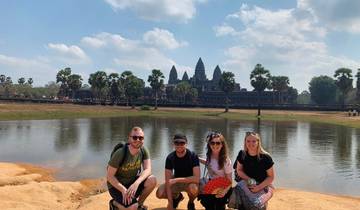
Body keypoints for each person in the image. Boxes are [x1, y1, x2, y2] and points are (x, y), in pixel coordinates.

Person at [107, 126, 157, 210]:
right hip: (116, 186)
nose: (138, 140)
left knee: (152, 180)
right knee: (132, 207)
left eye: (140, 138)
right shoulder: (121, 153)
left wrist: (136, 183)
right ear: (129, 139)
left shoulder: (143, 150)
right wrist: (123, 190)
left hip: (131, 184)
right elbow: (109, 176)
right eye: (134, 137)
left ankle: (139, 205)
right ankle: (114, 203)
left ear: (143, 139)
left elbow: (148, 169)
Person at [156, 134, 200, 210]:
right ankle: (177, 197)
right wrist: (170, 202)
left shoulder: (193, 156)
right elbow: (168, 180)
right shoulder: (170, 157)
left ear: (186, 144)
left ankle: (190, 202)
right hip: (176, 182)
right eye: (177, 143)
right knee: (160, 193)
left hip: (190, 182)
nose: (179, 145)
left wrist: (177, 180)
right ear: (173, 144)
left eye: (182, 143)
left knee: (194, 189)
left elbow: (196, 178)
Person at [234, 131, 275, 209]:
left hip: (263, 185)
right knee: (242, 205)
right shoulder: (242, 154)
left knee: (256, 205)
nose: (251, 143)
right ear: (245, 142)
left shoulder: (266, 157)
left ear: (258, 142)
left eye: (254, 141)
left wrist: (258, 187)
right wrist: (249, 180)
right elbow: (239, 170)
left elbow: (271, 177)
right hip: (247, 183)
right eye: (248, 141)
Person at [198, 132, 232, 210]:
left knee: (219, 206)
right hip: (211, 184)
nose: (215, 145)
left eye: (218, 143)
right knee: (208, 205)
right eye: (212, 143)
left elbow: (230, 181)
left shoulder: (226, 160)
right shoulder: (209, 155)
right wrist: (198, 159)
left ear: (222, 145)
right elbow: (208, 163)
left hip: (224, 187)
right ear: (209, 144)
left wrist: (224, 192)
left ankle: (224, 204)